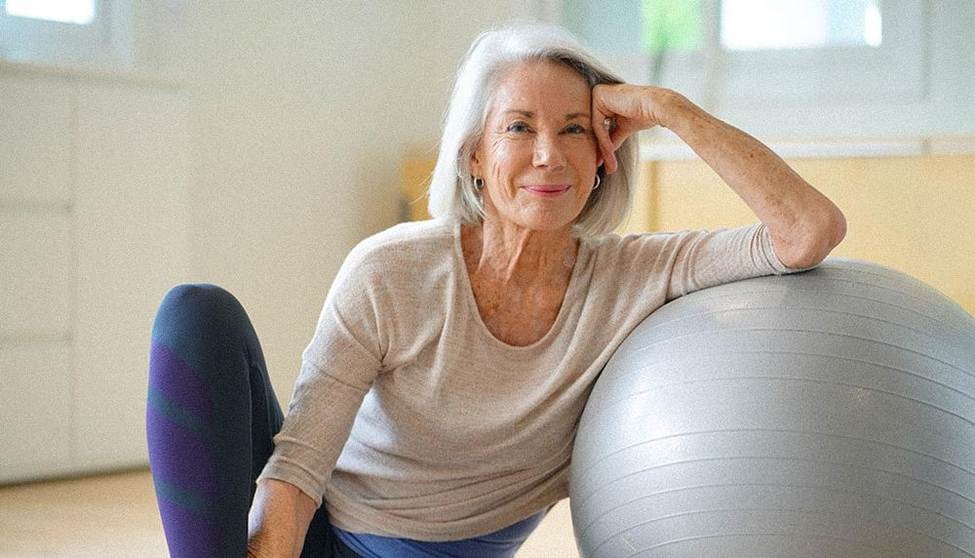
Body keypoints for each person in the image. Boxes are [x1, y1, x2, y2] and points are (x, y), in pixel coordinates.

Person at [146, 22, 846, 558]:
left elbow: (805, 231)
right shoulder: (392, 272)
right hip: (317, 535)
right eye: (518, 127)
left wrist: (667, 109)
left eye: (575, 130)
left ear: (603, 158)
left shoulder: (635, 276)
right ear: (475, 157)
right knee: (196, 313)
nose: (548, 154)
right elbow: (297, 468)